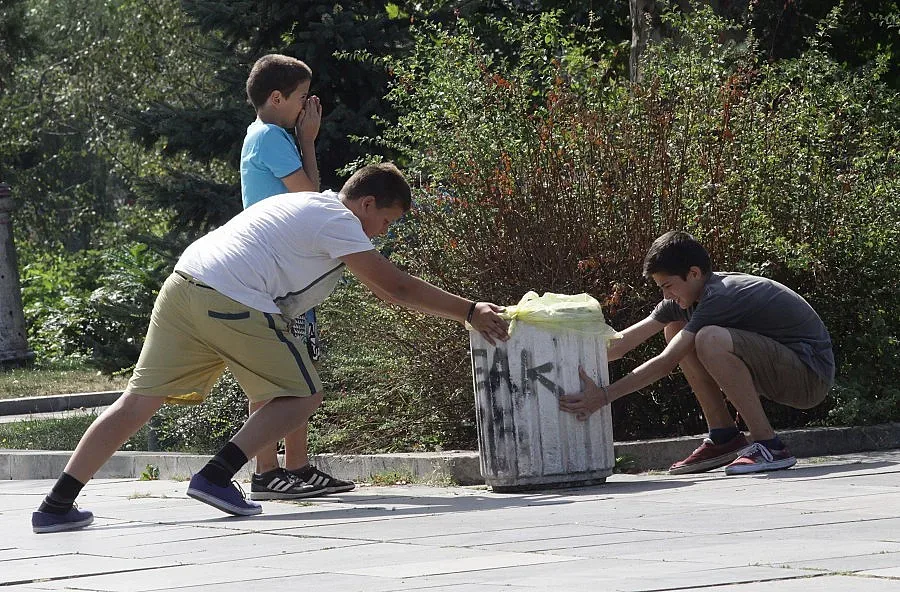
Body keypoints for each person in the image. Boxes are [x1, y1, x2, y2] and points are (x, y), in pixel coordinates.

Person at [31, 163, 509, 533]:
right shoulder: (338, 219)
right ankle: (216, 476)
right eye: (385, 221)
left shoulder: (304, 205)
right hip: (229, 295)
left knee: (137, 403)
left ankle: (55, 506)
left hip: (183, 284)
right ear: (366, 203)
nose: (382, 233)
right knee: (303, 395)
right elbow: (396, 287)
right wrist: (469, 311)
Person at [560, 230, 834, 475]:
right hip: (779, 367)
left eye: (668, 286)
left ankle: (769, 445)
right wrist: (557, 354)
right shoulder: (684, 299)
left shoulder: (719, 295)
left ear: (694, 273)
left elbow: (666, 362)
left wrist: (603, 396)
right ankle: (724, 436)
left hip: (809, 376)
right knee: (675, 328)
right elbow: (619, 346)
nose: (666, 296)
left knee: (708, 338)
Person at [238, 53, 342, 501]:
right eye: (302, 97)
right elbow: (309, 199)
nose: (307, 106)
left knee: (301, 367)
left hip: (287, 274)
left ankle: (296, 466)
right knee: (274, 373)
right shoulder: (270, 136)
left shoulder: (268, 135)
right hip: (274, 276)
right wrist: (309, 142)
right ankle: (266, 471)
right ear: (277, 98)